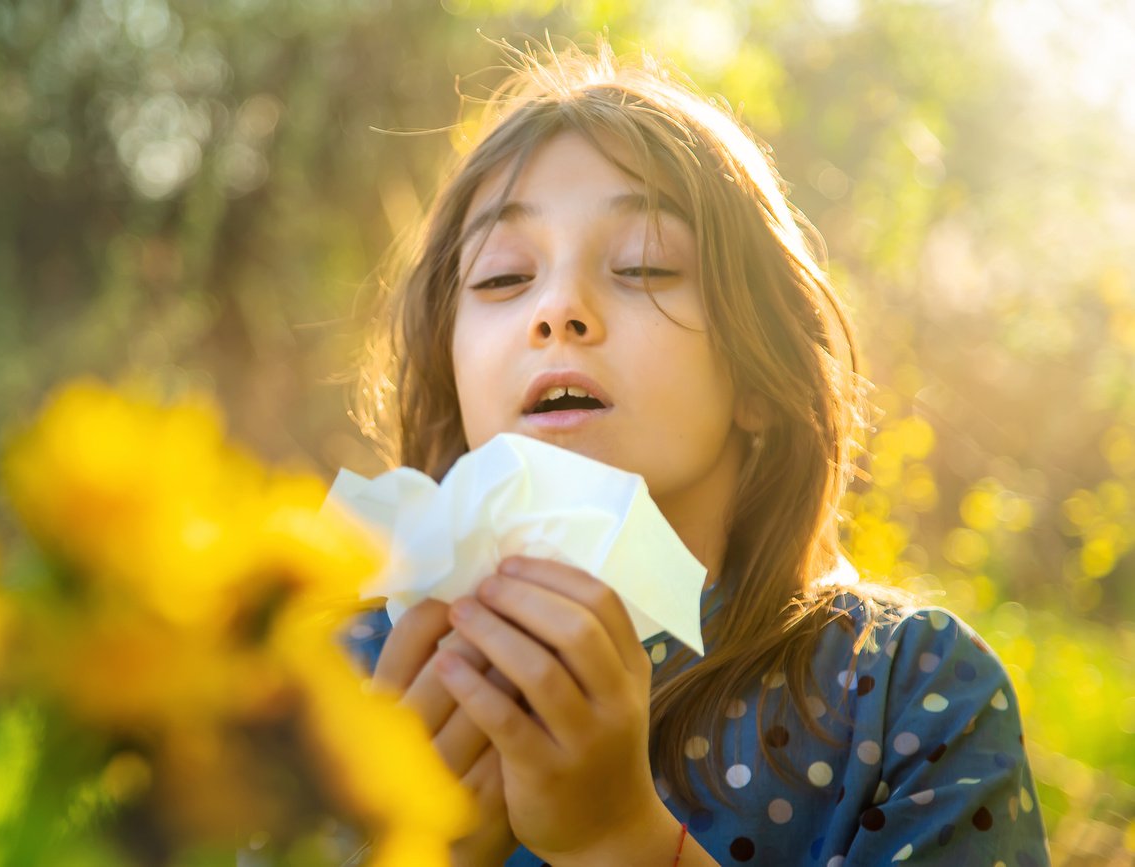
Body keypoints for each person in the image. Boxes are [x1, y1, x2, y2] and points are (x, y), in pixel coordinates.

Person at [343, 38, 1051, 867]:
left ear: (759, 374)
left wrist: (620, 840)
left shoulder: (909, 692)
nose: (558, 308)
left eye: (643, 265)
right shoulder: (324, 680)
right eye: (503, 277)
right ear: (450, 368)